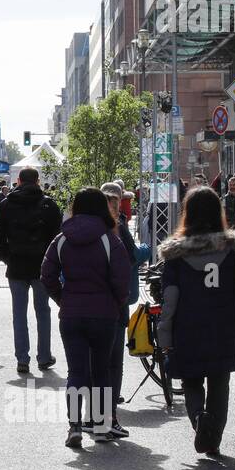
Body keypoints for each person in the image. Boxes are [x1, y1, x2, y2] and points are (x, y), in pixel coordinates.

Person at [155, 187, 235, 457]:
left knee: (191, 380)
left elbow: (170, 299)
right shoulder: (230, 253)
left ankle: (199, 418)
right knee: (220, 382)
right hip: (223, 326)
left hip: (188, 327)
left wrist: (165, 334)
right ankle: (214, 438)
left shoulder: (175, 256)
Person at [40, 188, 131, 447]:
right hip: (103, 314)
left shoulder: (62, 239)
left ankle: (74, 427)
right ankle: (101, 426)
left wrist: (62, 298)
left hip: (71, 314)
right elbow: (121, 278)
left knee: (76, 372)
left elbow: (47, 274)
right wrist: (114, 302)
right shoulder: (109, 239)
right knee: (101, 370)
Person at [0, 167, 63, 372]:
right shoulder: (48, 204)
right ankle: (44, 356)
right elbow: (57, 237)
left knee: (19, 313)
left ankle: (22, 358)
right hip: (42, 265)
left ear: (19, 181)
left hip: (16, 265)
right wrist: (52, 263)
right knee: (43, 311)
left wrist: (6, 258)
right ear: (38, 181)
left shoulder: (6, 204)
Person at [100, 183, 138, 435]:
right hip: (113, 307)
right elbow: (129, 262)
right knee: (113, 363)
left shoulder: (73, 233)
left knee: (90, 364)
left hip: (83, 309)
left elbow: (54, 271)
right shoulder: (117, 230)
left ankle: (86, 419)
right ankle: (108, 416)